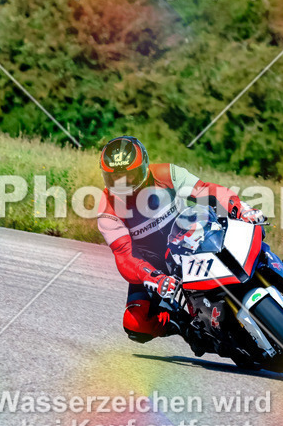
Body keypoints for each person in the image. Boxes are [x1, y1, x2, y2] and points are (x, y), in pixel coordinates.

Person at [96, 136, 265, 345]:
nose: (124, 184)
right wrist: (152, 277)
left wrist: (238, 207)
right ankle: (185, 326)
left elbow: (205, 190)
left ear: (144, 166)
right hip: (152, 265)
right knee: (135, 324)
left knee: (243, 231)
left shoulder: (166, 174)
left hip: (188, 239)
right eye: (116, 178)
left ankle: (263, 268)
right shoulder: (107, 209)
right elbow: (124, 256)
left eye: (130, 175)